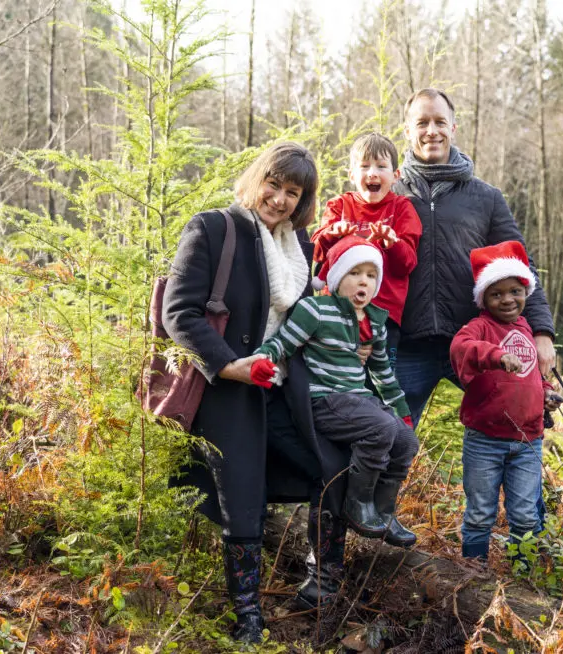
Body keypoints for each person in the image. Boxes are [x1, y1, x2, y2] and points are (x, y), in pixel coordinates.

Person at [162, 142, 345, 643]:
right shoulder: (214, 228)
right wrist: (228, 365)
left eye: (293, 192)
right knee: (241, 500)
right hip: (230, 390)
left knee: (330, 470)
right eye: (274, 184)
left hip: (283, 389)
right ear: (256, 178)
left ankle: (323, 590)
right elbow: (179, 313)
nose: (280, 199)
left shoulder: (299, 247)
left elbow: (307, 321)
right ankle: (249, 619)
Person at [393, 87, 557, 529]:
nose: (431, 130)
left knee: (523, 423)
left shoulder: (485, 197)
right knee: (393, 438)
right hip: (408, 347)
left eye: (439, 121)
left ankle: (533, 533)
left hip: (479, 341)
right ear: (408, 130)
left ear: (453, 126)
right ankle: (377, 526)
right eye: (422, 122)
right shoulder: (389, 192)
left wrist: (540, 331)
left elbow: (522, 265)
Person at [249, 235, 419, 549]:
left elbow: (382, 373)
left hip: (357, 399)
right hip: (325, 399)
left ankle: (384, 513)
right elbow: (281, 343)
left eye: (371, 276)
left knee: (407, 440)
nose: (363, 282)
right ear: (339, 276)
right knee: (380, 428)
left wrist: (402, 412)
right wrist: (261, 362)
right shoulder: (316, 310)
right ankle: (358, 505)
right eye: (355, 273)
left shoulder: (374, 321)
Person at [449, 242, 563, 562]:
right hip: (485, 441)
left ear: (526, 290)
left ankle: (522, 574)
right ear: (483, 298)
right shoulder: (480, 327)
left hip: (528, 441)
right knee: (480, 514)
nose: (508, 299)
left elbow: (531, 375)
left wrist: (546, 392)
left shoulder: (526, 327)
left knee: (525, 515)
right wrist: (496, 356)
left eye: (515, 290)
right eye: (496, 293)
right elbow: (462, 348)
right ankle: (473, 571)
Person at [310, 133, 422, 366]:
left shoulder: (402, 208)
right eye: (364, 166)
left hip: (384, 315)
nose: (372, 173)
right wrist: (332, 233)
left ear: (395, 176)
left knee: (381, 379)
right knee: (338, 373)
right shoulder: (339, 205)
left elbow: (408, 264)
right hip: (338, 311)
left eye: (381, 166)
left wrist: (392, 243)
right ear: (352, 174)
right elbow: (317, 252)